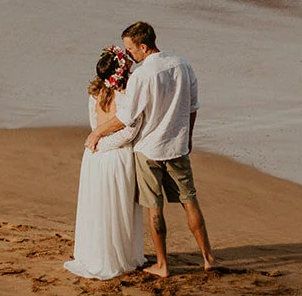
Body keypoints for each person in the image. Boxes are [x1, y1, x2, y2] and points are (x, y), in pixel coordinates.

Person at [86, 21, 216, 277]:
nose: (129, 56)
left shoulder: (142, 76)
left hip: (148, 149)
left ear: (143, 46)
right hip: (177, 146)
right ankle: (208, 258)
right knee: (190, 202)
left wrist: (97, 132)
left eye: (131, 49)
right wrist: (188, 136)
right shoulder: (183, 65)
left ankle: (162, 265)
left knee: (154, 209)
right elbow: (193, 106)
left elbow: (127, 118)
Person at [62, 48, 144, 278]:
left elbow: (93, 125)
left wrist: (98, 144)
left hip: (94, 155)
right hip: (116, 156)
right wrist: (106, 145)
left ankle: (95, 254)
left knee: (98, 205)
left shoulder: (94, 93)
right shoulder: (128, 94)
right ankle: (119, 257)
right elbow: (130, 131)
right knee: (116, 206)